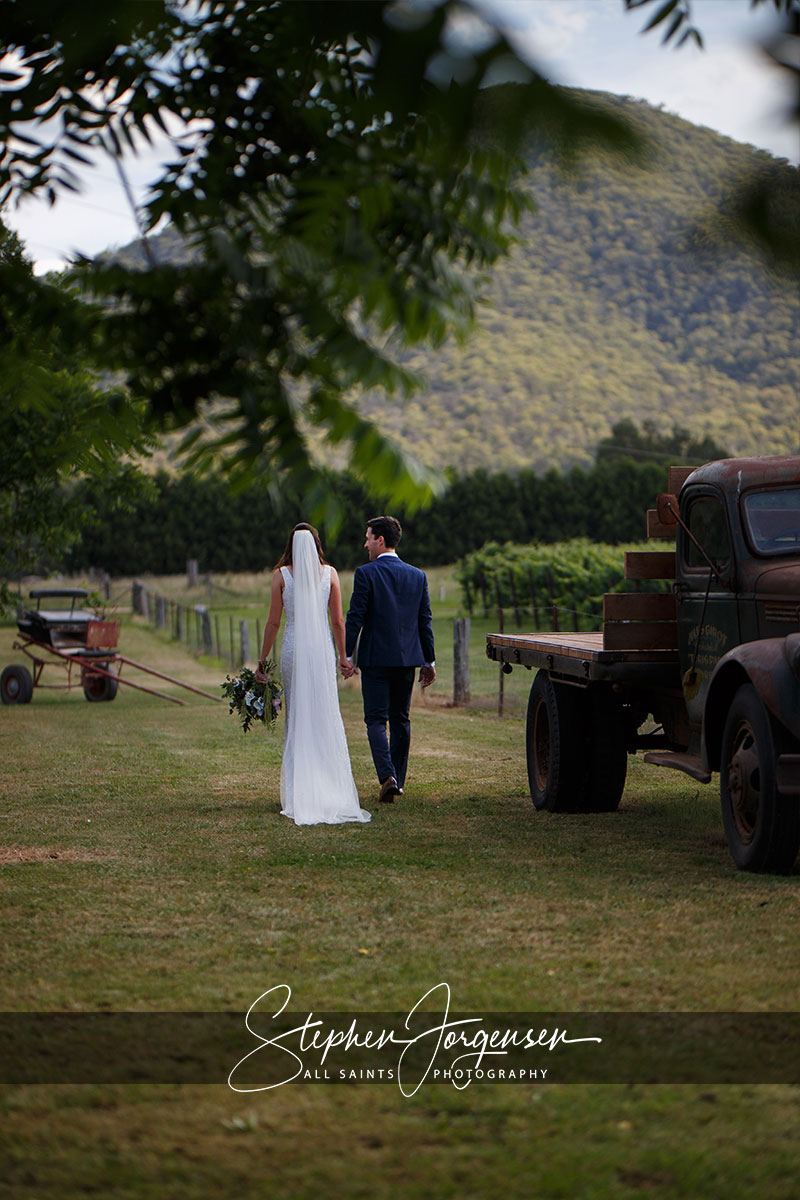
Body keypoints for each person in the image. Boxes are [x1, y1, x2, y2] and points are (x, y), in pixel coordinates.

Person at [256, 523, 370, 826]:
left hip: (294, 650)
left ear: (290, 546)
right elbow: (337, 621)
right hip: (321, 651)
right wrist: (343, 656)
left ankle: (298, 791)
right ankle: (330, 787)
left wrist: (262, 660)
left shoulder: (281, 577)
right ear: (317, 544)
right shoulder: (330, 574)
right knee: (323, 712)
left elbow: (273, 622)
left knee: (297, 715)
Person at [342, 515, 435, 804]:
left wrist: (346, 654)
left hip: (375, 659)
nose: (365, 543)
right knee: (401, 719)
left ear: (380, 540)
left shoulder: (366, 573)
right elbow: (425, 621)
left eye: (368, 537)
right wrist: (429, 661)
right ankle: (398, 780)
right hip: (407, 659)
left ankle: (388, 777)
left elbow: (355, 616)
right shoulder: (418, 575)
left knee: (375, 720)